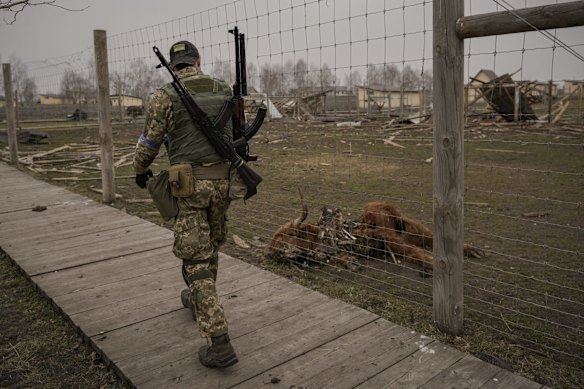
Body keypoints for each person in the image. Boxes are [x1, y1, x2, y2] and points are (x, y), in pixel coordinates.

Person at [132, 40, 238, 369]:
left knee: (195, 259)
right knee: (210, 245)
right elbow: (239, 135)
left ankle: (219, 343)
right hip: (223, 182)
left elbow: (149, 143)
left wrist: (139, 168)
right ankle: (198, 300)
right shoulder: (223, 89)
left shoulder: (164, 95)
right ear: (198, 60)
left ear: (174, 66)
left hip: (188, 185)